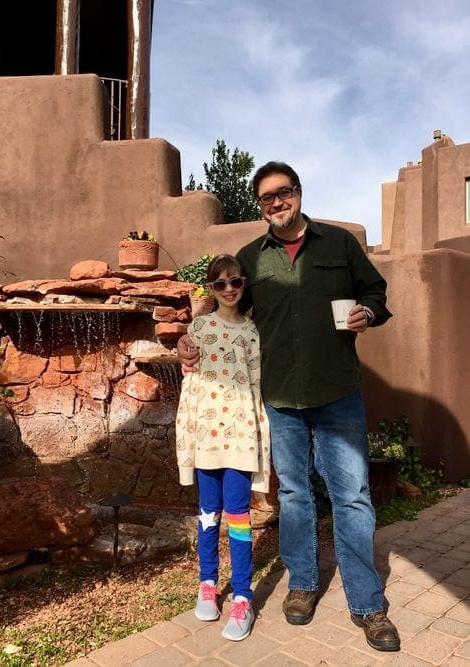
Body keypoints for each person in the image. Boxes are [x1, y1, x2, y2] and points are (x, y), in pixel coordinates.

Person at [178, 162, 401, 652]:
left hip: (337, 390)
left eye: (283, 193)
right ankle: (302, 583)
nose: (276, 202)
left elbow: (375, 291)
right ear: (260, 206)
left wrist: (370, 312)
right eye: (266, 198)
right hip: (280, 397)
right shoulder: (250, 258)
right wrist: (188, 345)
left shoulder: (339, 244)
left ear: (298, 194)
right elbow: (225, 309)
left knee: (353, 497)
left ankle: (367, 604)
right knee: (295, 496)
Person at [176, 254, 270, 642]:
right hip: (206, 438)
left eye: (235, 282)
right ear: (211, 289)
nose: (229, 289)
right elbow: (190, 379)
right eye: (220, 284)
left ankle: (243, 596)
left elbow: (257, 385)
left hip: (239, 438)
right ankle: (208, 583)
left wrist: (261, 433)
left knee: (238, 517)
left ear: (244, 286)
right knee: (208, 515)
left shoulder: (252, 332)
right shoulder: (198, 328)